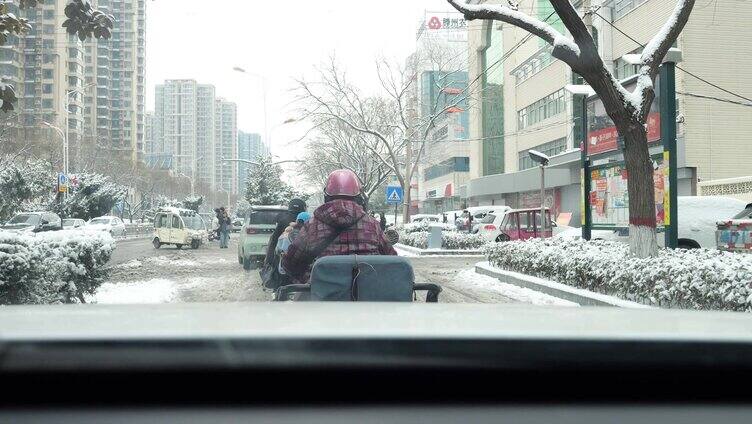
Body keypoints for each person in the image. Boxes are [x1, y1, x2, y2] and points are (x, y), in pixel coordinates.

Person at [282, 169, 397, 283]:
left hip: (323, 297)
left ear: (326, 197)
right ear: (358, 198)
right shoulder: (373, 225)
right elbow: (392, 262)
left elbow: (289, 264)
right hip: (367, 297)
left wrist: (310, 279)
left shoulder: (312, 226)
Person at [264, 198, 307, 268]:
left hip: (284, 259)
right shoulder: (309, 221)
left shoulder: (283, 220)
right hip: (303, 260)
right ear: (304, 208)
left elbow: (273, 241)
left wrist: (268, 262)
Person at [275, 211, 311, 286]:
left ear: (297, 221)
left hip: (284, 270)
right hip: (303, 273)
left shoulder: (286, 233)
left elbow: (278, 249)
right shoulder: (310, 235)